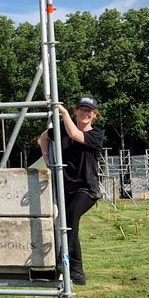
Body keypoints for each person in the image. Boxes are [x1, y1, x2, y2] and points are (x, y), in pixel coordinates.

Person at [37, 97, 104, 285]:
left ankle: (62, 256)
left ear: (95, 115)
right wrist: (46, 156)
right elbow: (43, 137)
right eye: (82, 109)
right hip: (66, 188)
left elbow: (75, 134)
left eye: (89, 111)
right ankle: (78, 273)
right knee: (71, 226)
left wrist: (64, 113)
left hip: (87, 189)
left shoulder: (96, 135)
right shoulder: (61, 131)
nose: (85, 113)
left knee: (72, 215)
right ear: (76, 111)